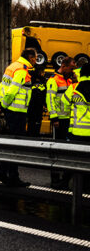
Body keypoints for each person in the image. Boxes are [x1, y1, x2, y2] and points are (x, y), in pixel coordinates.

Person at [0, 48, 37, 187]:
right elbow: (12, 90)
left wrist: (0, 103)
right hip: (16, 113)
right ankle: (12, 177)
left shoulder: (12, 67)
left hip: (10, 112)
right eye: (35, 58)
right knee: (16, 146)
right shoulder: (21, 70)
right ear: (30, 57)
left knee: (11, 145)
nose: (36, 60)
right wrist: (5, 105)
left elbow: (1, 87)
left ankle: (2, 173)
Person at [46, 57, 78, 188]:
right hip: (58, 120)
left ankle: (64, 178)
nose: (72, 71)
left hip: (69, 119)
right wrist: (54, 118)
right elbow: (50, 100)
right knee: (56, 150)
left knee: (66, 149)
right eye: (71, 68)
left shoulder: (70, 79)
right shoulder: (53, 80)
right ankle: (55, 178)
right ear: (63, 66)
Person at [27, 66, 47, 137]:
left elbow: (44, 94)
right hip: (33, 107)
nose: (43, 73)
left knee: (36, 124)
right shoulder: (33, 81)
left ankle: (35, 135)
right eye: (42, 72)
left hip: (37, 107)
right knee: (32, 124)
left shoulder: (43, 81)